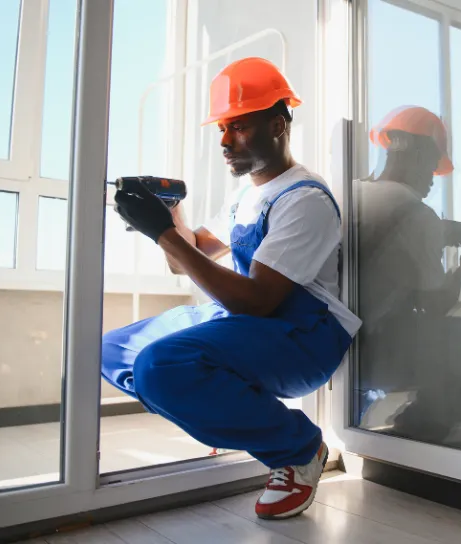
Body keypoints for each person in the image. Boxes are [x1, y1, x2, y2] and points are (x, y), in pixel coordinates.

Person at [102, 57, 362, 519]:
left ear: (278, 124)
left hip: (303, 336)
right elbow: (189, 257)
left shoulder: (305, 199)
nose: (224, 141)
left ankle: (297, 448)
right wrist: (169, 217)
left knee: (160, 367)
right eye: (222, 128)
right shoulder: (246, 196)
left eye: (237, 127)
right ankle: (228, 407)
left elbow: (258, 299)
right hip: (248, 321)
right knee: (112, 350)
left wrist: (161, 231)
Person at [356, 106, 461, 444]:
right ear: (414, 153)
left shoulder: (354, 192)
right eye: (432, 167)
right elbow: (436, 305)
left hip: (344, 349)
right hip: (382, 352)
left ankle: (404, 433)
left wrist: (440, 231)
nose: (432, 179)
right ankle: (413, 437)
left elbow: (388, 243)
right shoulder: (417, 212)